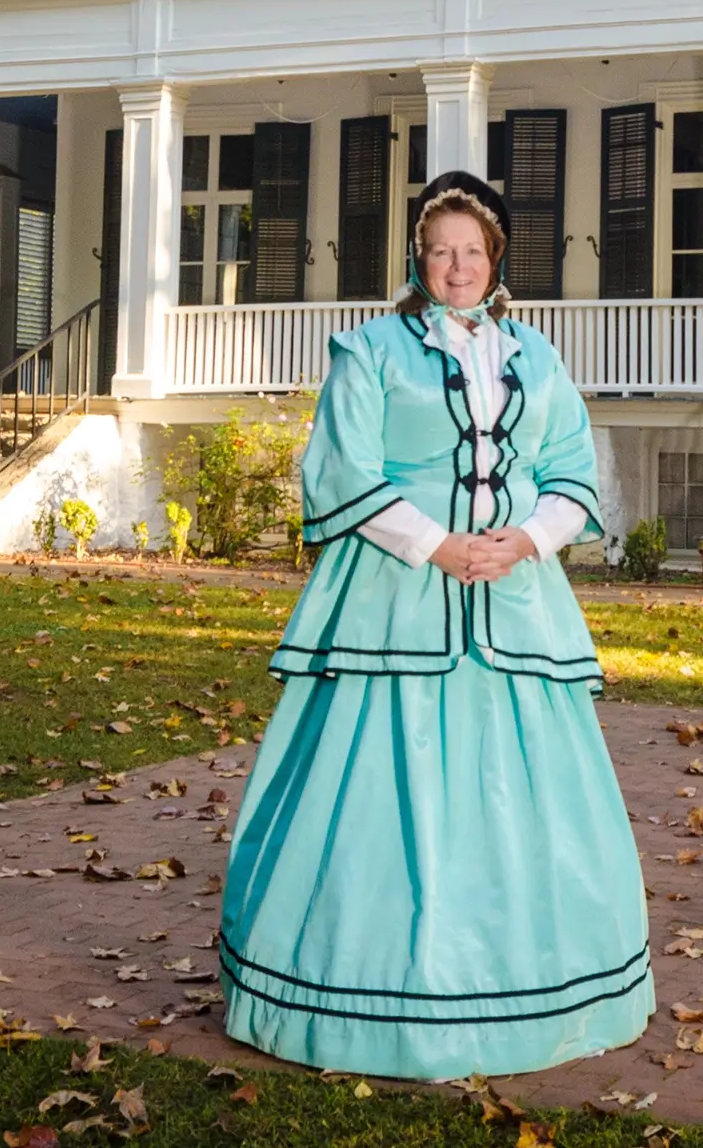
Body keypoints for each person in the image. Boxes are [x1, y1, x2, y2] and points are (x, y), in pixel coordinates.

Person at [215, 170, 653, 1077]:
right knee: (374, 789)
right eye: (440, 250)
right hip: (393, 596)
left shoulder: (537, 354)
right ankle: (362, 995)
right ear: (421, 258)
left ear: (495, 260)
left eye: (472, 250)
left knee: (528, 796)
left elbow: (573, 472)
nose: (457, 266)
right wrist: (437, 546)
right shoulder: (367, 350)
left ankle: (536, 988)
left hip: (514, 600)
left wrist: (527, 542)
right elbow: (343, 471)